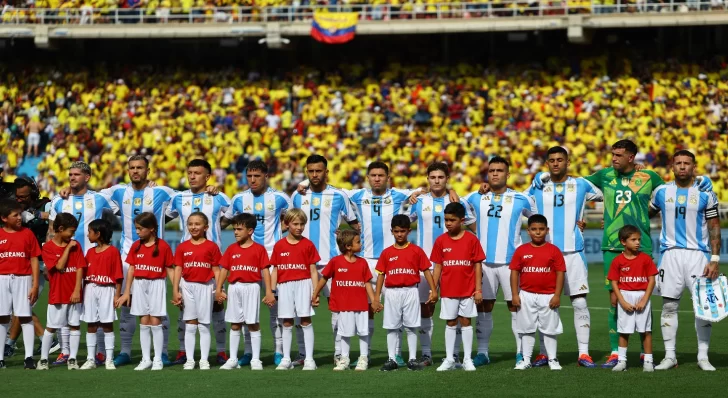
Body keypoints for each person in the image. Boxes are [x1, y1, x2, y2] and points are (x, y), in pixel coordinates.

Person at [526, 146, 602, 368]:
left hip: (573, 253)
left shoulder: (581, 184)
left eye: (560, 159)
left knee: (579, 302)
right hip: (545, 255)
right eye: (552, 160)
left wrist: (633, 171)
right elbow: (516, 202)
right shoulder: (538, 186)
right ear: (547, 164)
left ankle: (584, 353)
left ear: (568, 162)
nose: (556, 163)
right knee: (546, 305)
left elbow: (611, 189)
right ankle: (543, 353)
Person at [648, 150, 722, 371]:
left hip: (697, 255)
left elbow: (714, 226)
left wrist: (715, 258)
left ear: (694, 167)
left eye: (686, 163)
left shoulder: (705, 193)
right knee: (669, 305)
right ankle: (670, 356)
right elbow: (644, 215)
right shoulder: (661, 192)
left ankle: (703, 357)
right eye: (678, 163)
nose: (682, 167)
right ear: (672, 166)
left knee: (703, 307)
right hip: (670, 255)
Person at [464, 156, 536, 366]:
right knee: (484, 307)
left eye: (499, 170)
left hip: (511, 263)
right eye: (492, 170)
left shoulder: (520, 199)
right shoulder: (476, 197)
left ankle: (521, 353)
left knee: (516, 306)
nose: (495, 173)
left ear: (507, 174)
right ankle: (483, 353)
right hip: (483, 264)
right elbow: (456, 205)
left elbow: (538, 220)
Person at [222, 160, 290, 366]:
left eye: (257, 176)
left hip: (272, 259)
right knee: (243, 310)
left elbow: (292, 219)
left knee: (275, 308)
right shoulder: (239, 199)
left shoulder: (280, 198)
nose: (252, 180)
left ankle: (278, 351)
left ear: (266, 176)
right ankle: (248, 352)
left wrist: (280, 234)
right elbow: (225, 220)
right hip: (247, 259)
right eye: (249, 176)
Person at [291, 155, 358, 366]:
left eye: (318, 171)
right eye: (310, 171)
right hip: (302, 263)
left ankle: (339, 353)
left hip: (331, 260)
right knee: (299, 311)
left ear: (326, 172)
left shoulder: (339, 195)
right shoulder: (297, 196)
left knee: (337, 308)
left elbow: (355, 225)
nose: (314, 175)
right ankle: (303, 354)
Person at [48, 161, 117, 366]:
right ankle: (65, 351)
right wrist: (50, 259)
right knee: (64, 306)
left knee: (96, 309)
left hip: (92, 260)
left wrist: (150, 185)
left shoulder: (99, 198)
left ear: (87, 177)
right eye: (70, 174)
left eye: (77, 174)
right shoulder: (58, 201)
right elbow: (52, 231)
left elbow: (125, 203)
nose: (72, 178)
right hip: (65, 261)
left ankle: (101, 352)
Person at [166, 159, 231, 366]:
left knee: (218, 306)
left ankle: (221, 351)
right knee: (184, 308)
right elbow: (162, 217)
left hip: (213, 260)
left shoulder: (219, 197)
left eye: (197, 173)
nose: (192, 176)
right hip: (188, 261)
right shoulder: (179, 197)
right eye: (190, 172)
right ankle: (184, 351)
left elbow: (235, 216)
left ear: (207, 176)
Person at [408, 162, 472, 367]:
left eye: (441, 177)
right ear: (428, 178)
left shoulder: (455, 200)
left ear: (447, 179)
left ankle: (455, 355)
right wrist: (415, 192)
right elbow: (402, 220)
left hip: (454, 264)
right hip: (425, 264)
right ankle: (427, 354)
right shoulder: (418, 201)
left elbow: (472, 224)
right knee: (426, 308)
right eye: (433, 177)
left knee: (459, 311)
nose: (437, 181)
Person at [373, 215, 436, 372]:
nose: (399, 234)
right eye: (396, 231)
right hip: (392, 292)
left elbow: (427, 271)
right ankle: (391, 359)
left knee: (411, 326)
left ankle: (412, 359)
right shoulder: (387, 253)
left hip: (411, 291)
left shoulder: (416, 251)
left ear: (409, 231)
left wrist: (433, 290)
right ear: (392, 232)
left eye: (402, 231)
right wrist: (376, 297)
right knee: (391, 326)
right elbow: (381, 274)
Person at [116, 212, 176, 371]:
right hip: (140, 285)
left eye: (140, 228)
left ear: (151, 229)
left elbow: (170, 269)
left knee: (155, 321)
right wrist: (127, 291)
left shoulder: (163, 246)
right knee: (143, 321)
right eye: (136, 228)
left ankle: (158, 359)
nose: (137, 232)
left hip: (156, 284)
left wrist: (176, 290)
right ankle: (146, 359)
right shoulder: (136, 245)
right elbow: (131, 270)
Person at [313, 229, 379, 372]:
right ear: (348, 246)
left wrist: (374, 300)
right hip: (344, 306)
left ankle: (363, 358)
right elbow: (324, 278)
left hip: (361, 305)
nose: (361, 244)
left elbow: (367, 283)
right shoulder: (335, 261)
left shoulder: (362, 263)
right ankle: (344, 359)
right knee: (344, 333)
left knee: (363, 332)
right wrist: (315, 293)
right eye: (358, 242)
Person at [216, 213, 275, 371]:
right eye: (234, 229)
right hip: (234, 287)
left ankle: (256, 359)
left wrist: (269, 291)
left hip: (252, 287)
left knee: (253, 324)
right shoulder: (231, 249)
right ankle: (233, 359)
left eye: (239, 229)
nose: (235, 232)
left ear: (250, 231)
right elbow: (224, 270)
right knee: (235, 324)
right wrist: (219, 288)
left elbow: (265, 272)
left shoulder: (259, 249)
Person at [4, 178, 54, 360]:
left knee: (23, 305)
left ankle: (42, 338)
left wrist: (39, 215)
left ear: (33, 193)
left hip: (41, 261)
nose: (20, 200)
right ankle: (9, 343)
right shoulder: (16, 209)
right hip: (23, 260)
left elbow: (57, 220)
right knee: (20, 306)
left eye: (24, 196)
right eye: (17, 197)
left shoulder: (46, 205)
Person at [431, 202, 484, 372]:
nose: (448, 223)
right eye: (446, 220)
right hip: (448, 290)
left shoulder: (471, 239)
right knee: (451, 322)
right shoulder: (440, 240)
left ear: (462, 220)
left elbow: (477, 265)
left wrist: (478, 289)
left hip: (468, 290)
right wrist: (434, 289)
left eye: (452, 220)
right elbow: (438, 266)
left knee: (466, 321)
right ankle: (449, 359)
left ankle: (467, 359)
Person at [510, 214, 566, 371]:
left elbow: (560, 272)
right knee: (526, 328)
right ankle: (526, 359)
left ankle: (553, 359)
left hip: (548, 296)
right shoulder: (521, 250)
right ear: (528, 231)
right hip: (526, 294)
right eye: (534, 229)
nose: (538, 232)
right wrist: (515, 294)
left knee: (550, 329)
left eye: (541, 229)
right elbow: (514, 272)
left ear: (547, 230)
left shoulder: (554, 251)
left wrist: (556, 295)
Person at [270, 208, 320, 371]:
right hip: (284, 286)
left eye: (302, 224)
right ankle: (286, 358)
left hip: (304, 284)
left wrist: (315, 291)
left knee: (305, 320)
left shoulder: (308, 244)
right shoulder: (279, 245)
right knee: (286, 321)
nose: (299, 227)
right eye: (295, 224)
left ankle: (309, 359)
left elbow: (313, 270)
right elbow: (275, 270)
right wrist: (271, 291)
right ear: (286, 224)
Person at [171, 212, 222, 371]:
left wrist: (219, 289)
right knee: (190, 324)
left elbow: (217, 270)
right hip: (187, 286)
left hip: (206, 287)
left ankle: (204, 360)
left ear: (206, 227)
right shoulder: (182, 247)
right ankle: (190, 360)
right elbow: (178, 269)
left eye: (197, 224)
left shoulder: (212, 246)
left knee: (204, 324)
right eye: (190, 224)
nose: (193, 227)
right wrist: (175, 290)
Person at [38, 213, 87, 371]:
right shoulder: (48, 248)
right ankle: (44, 360)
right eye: (71, 231)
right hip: (57, 295)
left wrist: (76, 290)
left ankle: (72, 359)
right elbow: (59, 267)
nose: (73, 235)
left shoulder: (76, 245)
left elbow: (80, 267)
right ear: (60, 229)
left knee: (75, 326)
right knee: (51, 327)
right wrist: (67, 249)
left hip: (74, 294)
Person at [607, 225, 658, 372]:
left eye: (639, 239)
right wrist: (622, 301)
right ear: (623, 241)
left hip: (642, 295)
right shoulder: (617, 261)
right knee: (624, 331)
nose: (637, 242)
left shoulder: (646, 259)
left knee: (646, 330)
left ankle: (648, 361)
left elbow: (652, 281)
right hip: (625, 296)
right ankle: (622, 361)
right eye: (633, 239)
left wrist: (644, 300)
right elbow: (614, 282)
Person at [0, 199, 42, 369]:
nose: (19, 218)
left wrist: (34, 284)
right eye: (15, 215)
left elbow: (34, 259)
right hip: (2, 278)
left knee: (25, 316)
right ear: (4, 218)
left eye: (20, 214)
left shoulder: (27, 233)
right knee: (2, 317)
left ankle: (29, 357)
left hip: (23, 278)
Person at [79, 219, 123, 370]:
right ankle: (90, 359)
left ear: (98, 234)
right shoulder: (90, 252)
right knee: (91, 323)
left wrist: (117, 295)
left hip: (107, 289)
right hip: (90, 289)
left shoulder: (113, 251)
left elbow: (118, 276)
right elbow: (84, 275)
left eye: (90, 232)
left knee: (107, 324)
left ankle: (109, 359)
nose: (88, 234)